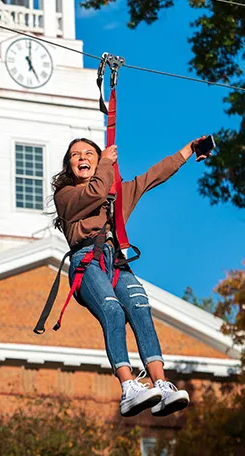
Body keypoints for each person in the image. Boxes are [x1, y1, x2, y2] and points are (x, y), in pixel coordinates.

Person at [52, 136, 211, 417]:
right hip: (87, 262)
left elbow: (153, 176)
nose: (83, 158)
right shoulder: (66, 196)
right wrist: (105, 162)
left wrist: (189, 150)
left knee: (139, 306)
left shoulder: (115, 196)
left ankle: (160, 383)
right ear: (69, 165)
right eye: (76, 155)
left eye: (89, 153)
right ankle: (128, 387)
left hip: (117, 261)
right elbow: (96, 194)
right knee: (112, 309)